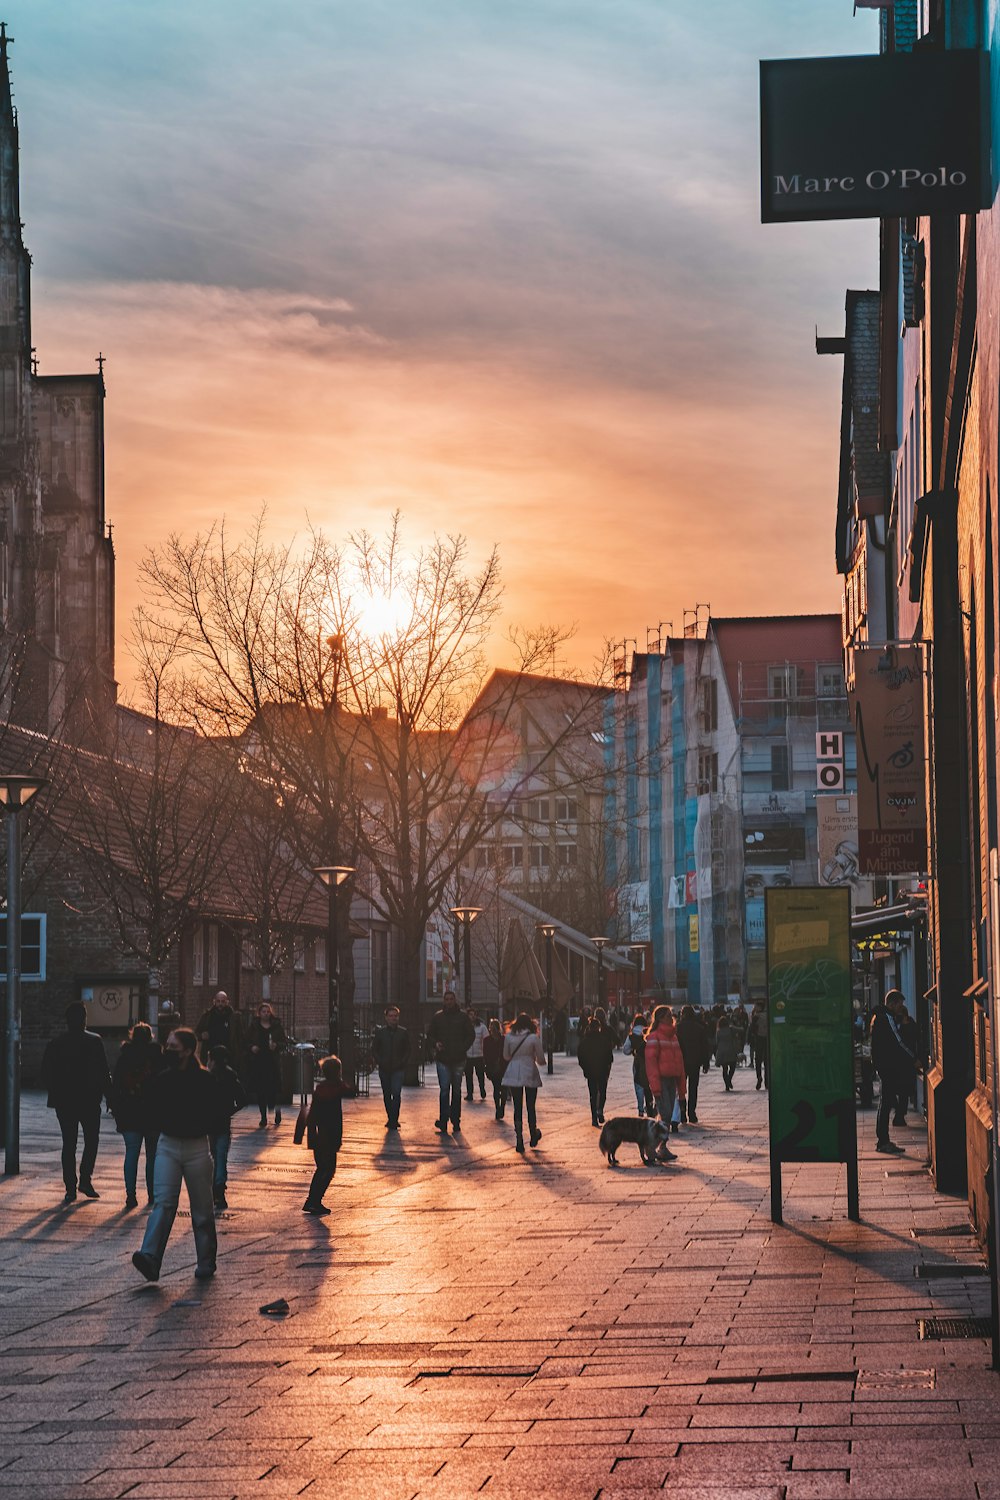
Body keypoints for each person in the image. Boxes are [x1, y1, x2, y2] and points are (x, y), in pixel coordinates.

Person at [132, 1028, 218, 1282]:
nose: (168, 1051)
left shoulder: (204, 1080)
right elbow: (150, 1106)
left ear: (189, 1051)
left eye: (173, 1047)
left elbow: (215, 1110)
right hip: (168, 1143)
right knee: (164, 1203)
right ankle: (150, 1256)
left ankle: (206, 1261)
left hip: (196, 1146)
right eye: (167, 1045)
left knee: (202, 1209)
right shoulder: (162, 1078)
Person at [41, 1001, 113, 1204]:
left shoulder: (56, 1043)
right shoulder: (94, 1041)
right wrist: (110, 1096)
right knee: (91, 1141)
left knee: (69, 1144)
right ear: (84, 1019)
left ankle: (70, 1187)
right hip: (89, 1100)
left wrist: (56, 1092)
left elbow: (45, 1072)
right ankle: (85, 1180)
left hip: (65, 1102)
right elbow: (103, 1071)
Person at [110, 1021, 163, 1209]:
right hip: (153, 1113)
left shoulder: (125, 1056)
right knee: (152, 1156)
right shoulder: (157, 1056)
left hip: (129, 1111)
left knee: (131, 1153)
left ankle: (130, 1195)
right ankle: (152, 1194)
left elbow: (116, 1085)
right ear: (150, 1037)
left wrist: (115, 1108)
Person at [302, 1055, 355, 1214]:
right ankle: (313, 1201)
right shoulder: (337, 1087)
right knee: (327, 1170)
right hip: (329, 1136)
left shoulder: (321, 1089)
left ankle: (313, 1200)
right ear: (337, 1072)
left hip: (319, 1135)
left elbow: (312, 1115)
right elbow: (351, 1091)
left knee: (322, 1168)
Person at [870, 990, 915, 1153]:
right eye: (899, 1004)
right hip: (888, 1066)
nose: (900, 1008)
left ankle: (883, 1140)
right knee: (886, 1103)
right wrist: (913, 1057)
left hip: (882, 1066)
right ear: (892, 1003)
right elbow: (898, 1042)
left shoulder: (877, 1018)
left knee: (885, 1103)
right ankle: (883, 1141)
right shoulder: (886, 1018)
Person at [426, 989, 475, 1134]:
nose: (448, 1002)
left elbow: (470, 1035)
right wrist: (436, 1044)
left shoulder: (462, 1017)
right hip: (443, 1058)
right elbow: (430, 1035)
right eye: (446, 999)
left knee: (456, 1091)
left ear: (455, 1000)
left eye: (451, 999)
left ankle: (455, 1120)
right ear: (444, 1001)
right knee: (445, 1090)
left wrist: (462, 1048)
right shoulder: (438, 1017)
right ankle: (443, 1119)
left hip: (458, 1058)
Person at [206, 1044, 247, 1210]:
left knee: (212, 1156)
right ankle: (219, 1190)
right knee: (221, 1157)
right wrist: (229, 1110)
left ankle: (211, 1189)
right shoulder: (231, 1076)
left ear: (213, 1060)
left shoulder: (207, 1077)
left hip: (209, 1123)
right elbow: (242, 1100)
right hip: (223, 1123)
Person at [501, 1012, 545, 1153]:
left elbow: (506, 1056)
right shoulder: (533, 1037)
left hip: (513, 1072)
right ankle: (533, 1133)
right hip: (529, 1071)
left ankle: (519, 1137)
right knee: (530, 1106)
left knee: (517, 1106)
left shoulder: (508, 1037)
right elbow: (541, 1059)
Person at [644, 1005, 685, 1137]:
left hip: (672, 1079)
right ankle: (657, 1144)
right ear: (661, 1019)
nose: (671, 1018)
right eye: (668, 1016)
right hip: (661, 1080)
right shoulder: (654, 1037)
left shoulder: (673, 1037)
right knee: (666, 1114)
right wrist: (655, 1088)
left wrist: (682, 1087)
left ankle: (660, 1145)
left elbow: (679, 1063)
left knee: (667, 1114)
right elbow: (651, 1064)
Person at [246, 1001, 286, 1127]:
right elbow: (246, 1041)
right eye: (263, 1012)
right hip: (259, 1061)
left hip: (272, 1061)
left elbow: (283, 1042)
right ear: (259, 1013)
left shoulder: (276, 1026)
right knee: (261, 1090)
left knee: (274, 1089)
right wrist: (252, 1047)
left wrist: (276, 1045)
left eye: (268, 1012)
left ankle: (276, 1110)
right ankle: (263, 1116)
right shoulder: (254, 1026)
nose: (266, 1014)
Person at [371, 1005, 410, 1129]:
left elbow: (407, 1050)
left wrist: (402, 1062)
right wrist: (380, 1061)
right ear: (386, 1018)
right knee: (387, 1094)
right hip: (384, 1067)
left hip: (398, 1068)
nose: (393, 1018)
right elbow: (374, 1049)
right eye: (391, 1016)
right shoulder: (380, 1033)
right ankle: (390, 1117)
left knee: (396, 1093)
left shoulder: (403, 1032)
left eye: (395, 1016)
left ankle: (394, 1119)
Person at [577, 1008, 616, 1126]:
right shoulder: (604, 1040)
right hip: (602, 1071)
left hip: (590, 1072)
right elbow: (610, 1057)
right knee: (602, 1092)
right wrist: (606, 1065)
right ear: (598, 1028)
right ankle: (600, 1110)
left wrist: (585, 1068)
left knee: (593, 1094)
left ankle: (594, 1117)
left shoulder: (584, 1042)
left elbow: (581, 1058)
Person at [676, 1005, 711, 1124]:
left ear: (683, 1014)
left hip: (681, 1063)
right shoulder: (699, 1028)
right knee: (693, 1088)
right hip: (695, 1062)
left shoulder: (677, 1028)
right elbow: (704, 1047)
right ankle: (692, 1113)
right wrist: (706, 1063)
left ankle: (682, 1113)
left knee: (681, 1089)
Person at [194, 990, 244, 1065]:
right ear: (214, 1002)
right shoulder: (207, 1016)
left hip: (228, 1053)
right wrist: (201, 1036)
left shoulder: (234, 1017)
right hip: (210, 1053)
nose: (220, 1004)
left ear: (227, 1002)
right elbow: (196, 1033)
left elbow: (240, 1036)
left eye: (223, 1001)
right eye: (218, 1001)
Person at [623, 1013, 654, 1116]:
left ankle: (641, 1109)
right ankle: (650, 1107)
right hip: (650, 1061)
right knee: (649, 1085)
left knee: (638, 1085)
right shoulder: (649, 1032)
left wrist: (633, 1050)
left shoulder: (631, 1036)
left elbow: (625, 1050)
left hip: (638, 1063)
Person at [483, 1017, 507, 1119]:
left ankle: (502, 1107)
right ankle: (498, 1107)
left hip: (503, 1067)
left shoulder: (504, 1039)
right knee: (497, 1088)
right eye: (491, 1028)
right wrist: (486, 1067)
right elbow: (485, 1054)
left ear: (498, 1029)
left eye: (494, 1028)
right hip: (492, 1067)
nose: (492, 1031)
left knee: (504, 1089)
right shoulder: (487, 1040)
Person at [464, 1008, 489, 1101]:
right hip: (468, 1055)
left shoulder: (482, 1027)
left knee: (480, 1075)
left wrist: (486, 1053)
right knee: (468, 1076)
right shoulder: (465, 1027)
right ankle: (470, 1093)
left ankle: (482, 1089)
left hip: (479, 1055)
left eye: (474, 1014)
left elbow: (486, 1040)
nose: (472, 1016)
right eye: (470, 1014)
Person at [714, 1015, 739, 1090]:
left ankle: (727, 1085)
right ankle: (729, 1079)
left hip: (721, 1051)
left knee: (724, 1069)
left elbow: (716, 1042)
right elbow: (741, 1030)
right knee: (732, 1066)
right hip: (730, 1049)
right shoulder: (731, 1029)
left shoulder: (718, 1032)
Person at [750, 1003, 769, 1091]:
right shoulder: (768, 1015)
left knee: (758, 1061)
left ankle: (759, 1077)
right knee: (766, 1061)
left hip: (759, 1039)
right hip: (767, 1040)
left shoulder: (756, 1017)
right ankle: (767, 1081)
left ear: (760, 1007)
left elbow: (752, 1029)